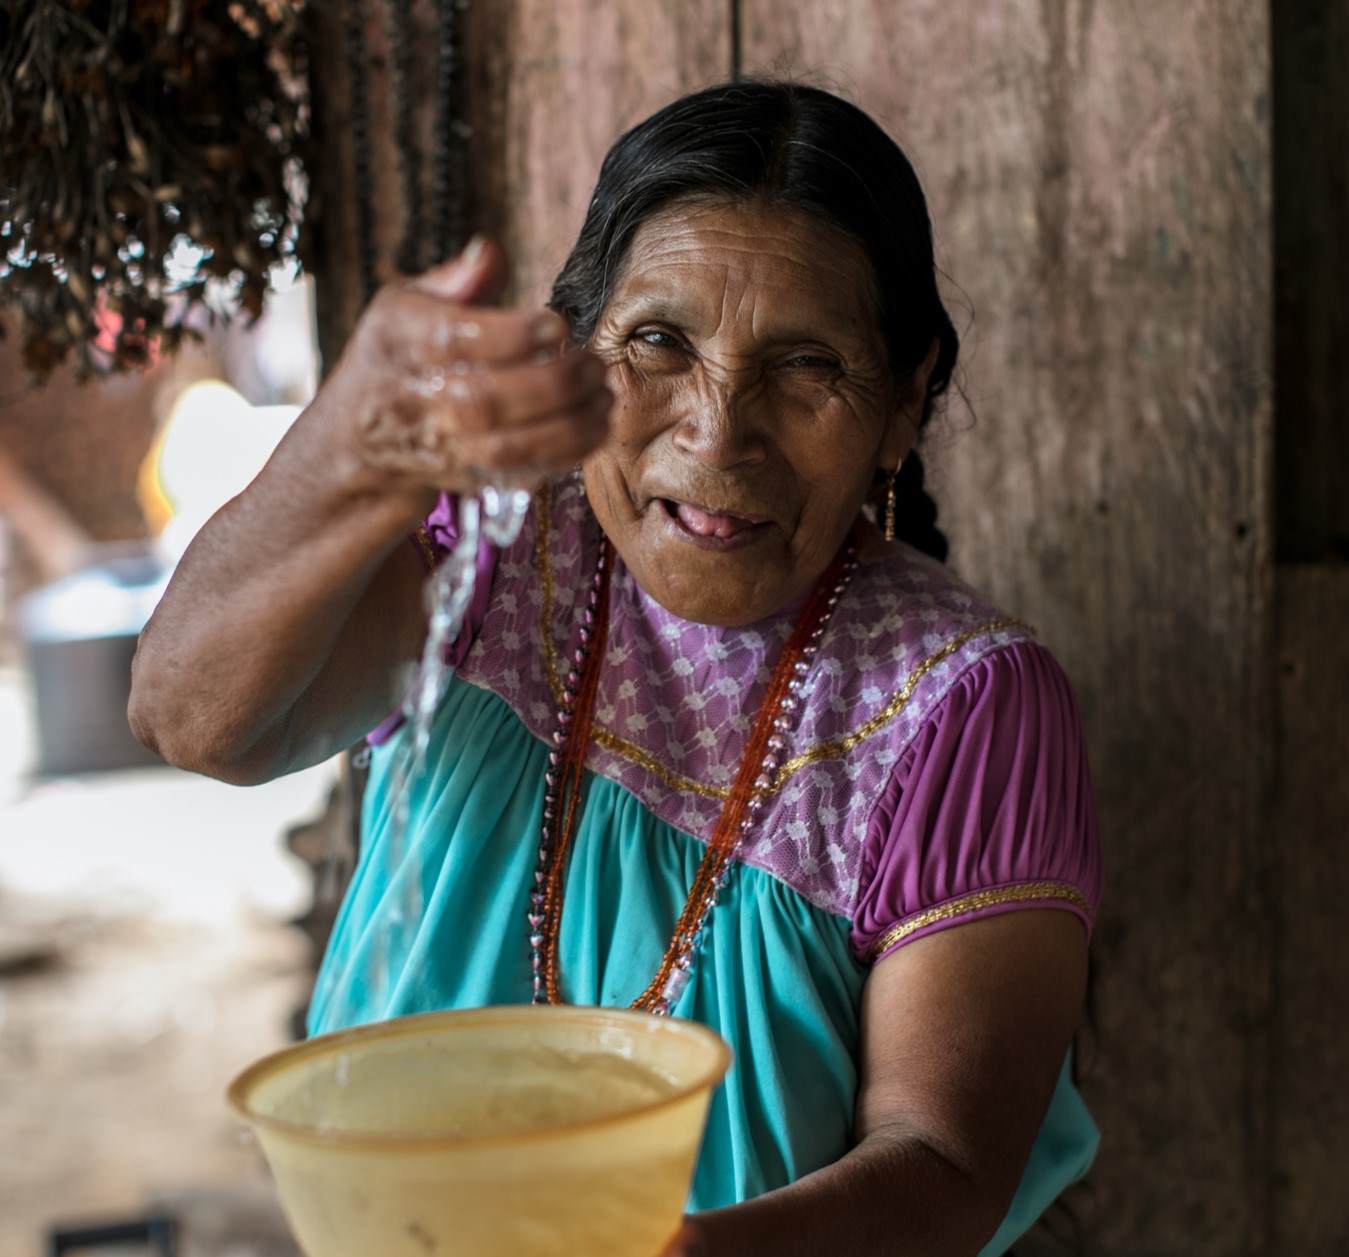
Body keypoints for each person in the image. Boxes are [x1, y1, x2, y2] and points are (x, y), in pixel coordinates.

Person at [129, 81, 1102, 1256]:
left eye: (804, 367)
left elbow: (942, 1163)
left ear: (901, 402)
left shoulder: (958, 709)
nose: (715, 430)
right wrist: (350, 449)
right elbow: (192, 720)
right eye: (658, 342)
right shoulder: (489, 553)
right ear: (577, 347)